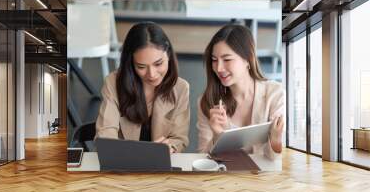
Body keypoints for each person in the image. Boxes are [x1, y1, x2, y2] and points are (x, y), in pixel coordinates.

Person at [95, 22, 190, 153]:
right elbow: (106, 133)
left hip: (160, 164)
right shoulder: (113, 83)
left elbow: (179, 139)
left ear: (168, 55)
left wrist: (170, 147)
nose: (152, 74)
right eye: (141, 67)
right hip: (123, 160)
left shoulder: (181, 88)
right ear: (131, 63)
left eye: (158, 64)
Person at [197, 24, 285, 160]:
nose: (219, 68)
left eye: (227, 59)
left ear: (248, 59)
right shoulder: (207, 101)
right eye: (214, 60)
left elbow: (278, 160)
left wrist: (276, 141)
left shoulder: (275, 94)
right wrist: (218, 137)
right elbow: (202, 157)